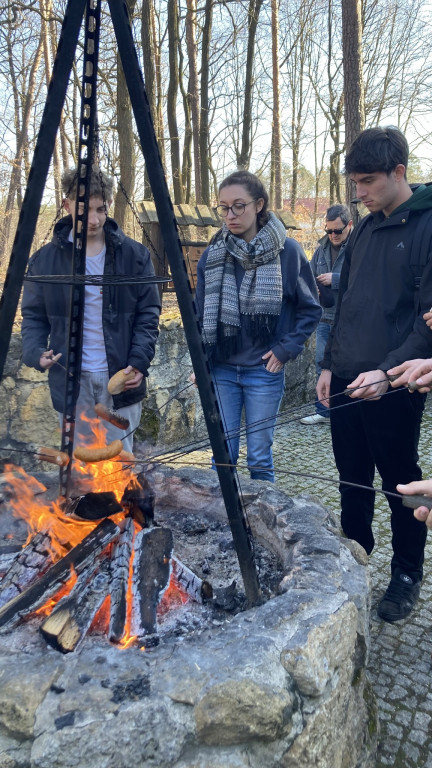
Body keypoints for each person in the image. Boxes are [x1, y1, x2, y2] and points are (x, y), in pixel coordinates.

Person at [316, 126, 432, 623]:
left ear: (398, 172)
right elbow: (345, 302)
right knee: (352, 479)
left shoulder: (426, 225)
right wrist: (329, 364)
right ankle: (356, 556)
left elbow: (427, 322)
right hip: (347, 378)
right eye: (355, 183)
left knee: (401, 483)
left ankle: (406, 572)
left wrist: (385, 372)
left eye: (367, 182)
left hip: (397, 383)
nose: (358, 193)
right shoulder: (362, 228)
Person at [21, 165, 161, 456]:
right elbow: (33, 316)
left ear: (108, 205)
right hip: (71, 379)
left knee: (121, 461)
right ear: (67, 205)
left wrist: (138, 362)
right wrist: (35, 352)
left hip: (120, 376)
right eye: (85, 210)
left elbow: (148, 314)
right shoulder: (44, 260)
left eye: (101, 209)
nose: (94, 220)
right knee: (79, 463)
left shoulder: (135, 256)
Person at [194, 170, 321, 483]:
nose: (230, 215)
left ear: (259, 204)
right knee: (223, 456)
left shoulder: (288, 252)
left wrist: (285, 349)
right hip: (221, 371)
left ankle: (263, 514)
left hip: (263, 372)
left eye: (239, 206)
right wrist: (201, 362)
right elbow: (199, 316)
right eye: (224, 208)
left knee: (259, 458)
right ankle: (222, 513)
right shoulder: (213, 255)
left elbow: (310, 310)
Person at [300, 204, 352, 425]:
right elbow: (309, 276)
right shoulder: (321, 249)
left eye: (337, 231)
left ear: (349, 225)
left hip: (349, 319)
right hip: (324, 317)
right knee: (322, 365)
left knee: (349, 366)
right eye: (328, 231)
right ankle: (323, 411)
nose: (333, 235)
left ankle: (347, 410)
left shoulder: (358, 246)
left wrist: (336, 279)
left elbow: (364, 279)